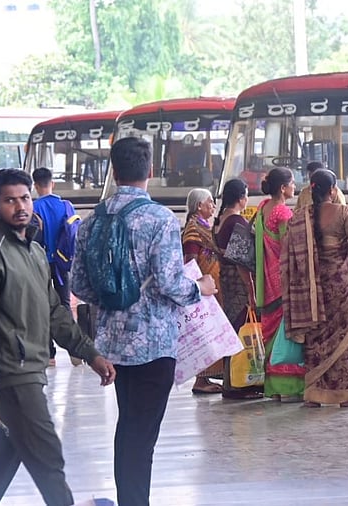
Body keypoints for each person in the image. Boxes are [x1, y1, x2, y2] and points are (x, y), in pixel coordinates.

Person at [70, 137, 217, 506]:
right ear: (150, 172)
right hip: (154, 346)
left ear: (113, 172)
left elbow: (79, 285)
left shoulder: (91, 222)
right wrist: (201, 287)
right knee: (140, 433)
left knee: (131, 426)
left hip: (112, 348)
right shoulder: (160, 219)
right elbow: (170, 283)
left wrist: (114, 302)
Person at [0, 168, 116, 506]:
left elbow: (55, 312)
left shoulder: (32, 253)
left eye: (25, 198)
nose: (20, 206)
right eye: (9, 200)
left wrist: (91, 353)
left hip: (28, 370)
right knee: (48, 457)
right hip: (13, 376)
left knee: (0, 459)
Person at [281, 169, 348, 408]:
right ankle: (347, 394)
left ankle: (315, 394)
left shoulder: (299, 217)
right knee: (346, 336)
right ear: (332, 190)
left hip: (313, 287)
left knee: (316, 335)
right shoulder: (342, 212)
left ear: (311, 189)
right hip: (340, 284)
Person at [256, 168, 303, 402]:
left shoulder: (262, 207)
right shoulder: (283, 213)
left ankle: (272, 388)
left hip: (265, 281)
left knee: (270, 332)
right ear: (283, 188)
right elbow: (289, 249)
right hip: (282, 281)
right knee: (285, 334)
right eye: (293, 183)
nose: (295, 187)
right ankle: (288, 387)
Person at [214, 179, 263, 400]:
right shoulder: (236, 221)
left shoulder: (220, 220)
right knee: (240, 330)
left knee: (233, 328)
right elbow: (241, 261)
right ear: (241, 197)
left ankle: (230, 381)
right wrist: (251, 291)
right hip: (238, 282)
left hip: (225, 280)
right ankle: (236, 384)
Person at [32, 167, 80, 367]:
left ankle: (49, 353)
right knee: (65, 305)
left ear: (35, 185)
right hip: (62, 263)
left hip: (39, 263)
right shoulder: (65, 205)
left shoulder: (32, 207)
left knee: (42, 306)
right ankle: (75, 350)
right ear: (53, 183)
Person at [182, 188, 225, 395]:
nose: (213, 206)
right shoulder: (193, 229)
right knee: (204, 329)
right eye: (210, 202)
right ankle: (201, 379)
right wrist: (198, 284)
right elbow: (190, 261)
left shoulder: (204, 226)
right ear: (199, 206)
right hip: (203, 286)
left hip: (211, 283)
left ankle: (208, 376)